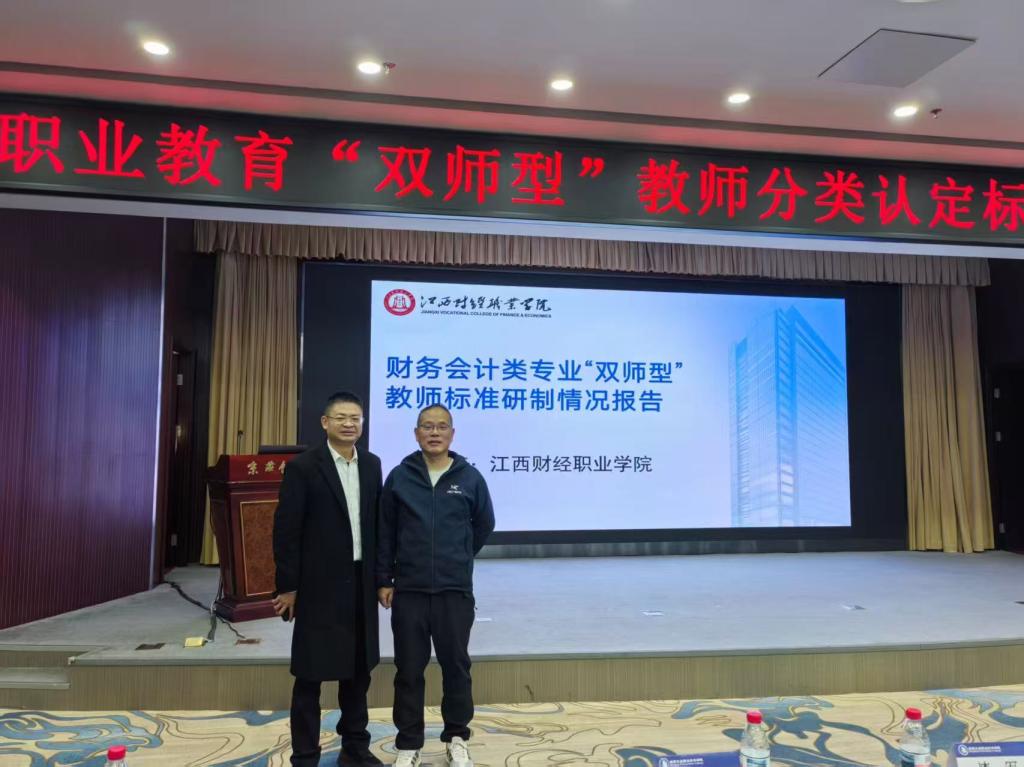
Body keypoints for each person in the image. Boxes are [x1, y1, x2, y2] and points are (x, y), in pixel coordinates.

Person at [377, 404, 496, 767]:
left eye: (441, 427)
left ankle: (457, 737)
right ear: (416, 434)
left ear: (452, 434)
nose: (434, 433)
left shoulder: (469, 478)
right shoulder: (400, 477)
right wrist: (384, 579)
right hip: (409, 591)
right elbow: (385, 531)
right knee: (408, 670)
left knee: (456, 667)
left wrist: (458, 556)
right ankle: (409, 743)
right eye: (427, 427)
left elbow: (484, 524)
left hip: (453, 591)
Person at [273, 391, 384, 766]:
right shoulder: (304, 467)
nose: (349, 424)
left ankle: (355, 748)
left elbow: (377, 526)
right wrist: (288, 587)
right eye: (341, 417)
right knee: (310, 677)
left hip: (360, 583)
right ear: (325, 422)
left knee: (358, 674)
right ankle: (305, 755)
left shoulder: (372, 464)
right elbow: (286, 530)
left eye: (355, 418)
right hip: (317, 587)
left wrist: (382, 577)